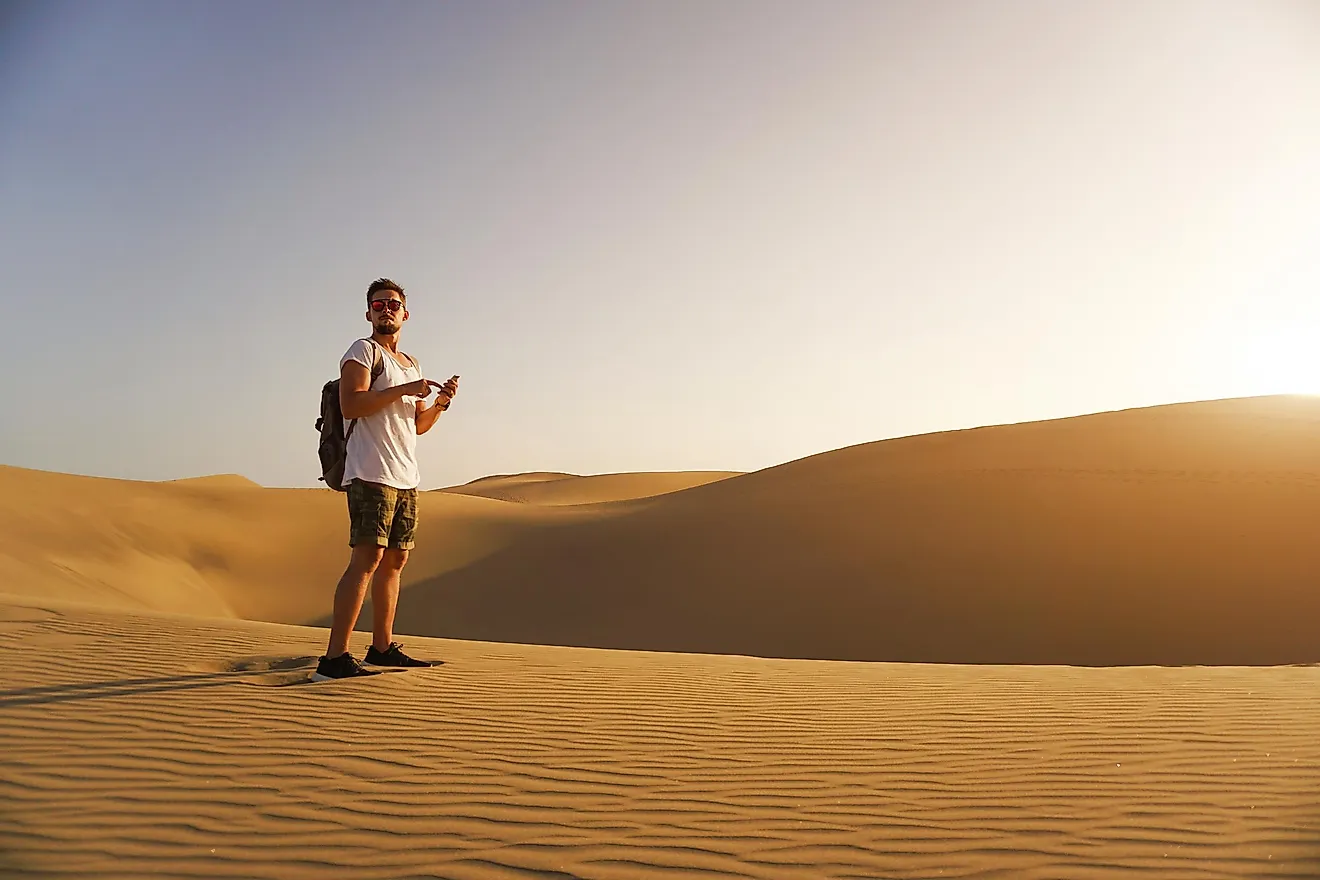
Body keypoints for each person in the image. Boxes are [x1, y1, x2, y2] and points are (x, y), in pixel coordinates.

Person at [313, 278, 459, 681]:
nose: (386, 309)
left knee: (395, 561)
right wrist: (404, 390)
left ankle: (380, 648)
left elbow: (418, 425)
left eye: (393, 304)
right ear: (368, 313)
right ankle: (334, 658)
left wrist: (440, 403)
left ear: (405, 314)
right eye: (378, 304)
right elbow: (351, 403)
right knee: (367, 559)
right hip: (370, 472)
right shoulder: (362, 351)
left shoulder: (411, 364)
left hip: (405, 475)